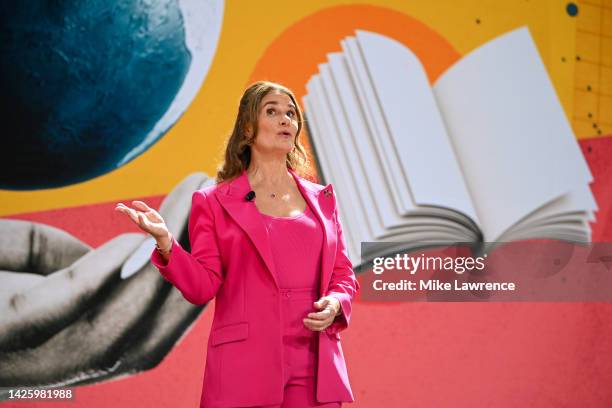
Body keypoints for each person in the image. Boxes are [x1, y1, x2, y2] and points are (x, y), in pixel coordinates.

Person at [115, 81, 359, 408]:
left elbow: (342, 274)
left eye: (291, 113)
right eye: (272, 111)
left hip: (314, 363)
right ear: (248, 128)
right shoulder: (213, 202)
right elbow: (203, 286)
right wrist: (166, 242)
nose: (286, 119)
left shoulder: (321, 200)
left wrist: (336, 302)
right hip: (246, 364)